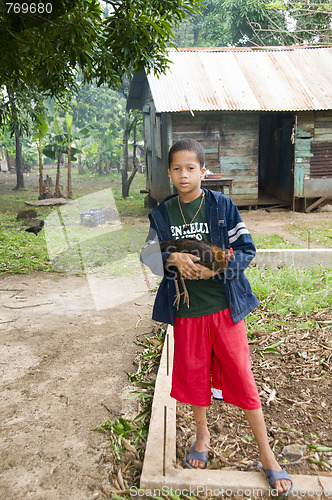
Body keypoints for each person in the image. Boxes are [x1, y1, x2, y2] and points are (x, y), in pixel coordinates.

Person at [140, 138, 292, 496]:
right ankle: (202, 437)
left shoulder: (222, 207)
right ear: (169, 172)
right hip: (188, 314)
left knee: (242, 376)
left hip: (224, 311)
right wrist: (171, 258)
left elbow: (246, 249)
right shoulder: (164, 213)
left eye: (191, 168)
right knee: (194, 379)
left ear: (203, 171)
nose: (183, 175)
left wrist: (216, 268)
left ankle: (267, 456)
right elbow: (147, 255)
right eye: (176, 168)